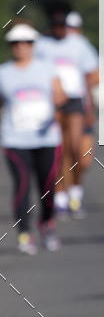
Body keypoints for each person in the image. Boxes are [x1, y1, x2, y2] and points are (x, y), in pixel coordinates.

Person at [0, 23, 65, 254]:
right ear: (11, 47)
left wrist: (58, 100)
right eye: (16, 44)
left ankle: (47, 225)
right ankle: (24, 233)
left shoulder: (46, 69)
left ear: (33, 45)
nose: (21, 47)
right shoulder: (4, 73)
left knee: (47, 185)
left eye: (27, 43)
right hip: (15, 140)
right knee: (22, 184)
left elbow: (60, 94)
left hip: (46, 137)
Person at [35, 11, 97, 217]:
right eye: (57, 26)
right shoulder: (42, 45)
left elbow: (91, 74)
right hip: (51, 102)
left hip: (75, 101)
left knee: (77, 149)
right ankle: (61, 196)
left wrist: (89, 104)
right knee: (59, 151)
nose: (60, 30)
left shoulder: (78, 43)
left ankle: (76, 189)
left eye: (64, 26)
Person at [66, 11, 99, 183]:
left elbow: (95, 75)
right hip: (58, 109)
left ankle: (75, 187)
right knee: (62, 154)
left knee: (83, 157)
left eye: (74, 28)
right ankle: (62, 195)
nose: (70, 31)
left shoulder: (83, 46)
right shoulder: (47, 45)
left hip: (81, 106)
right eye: (67, 27)